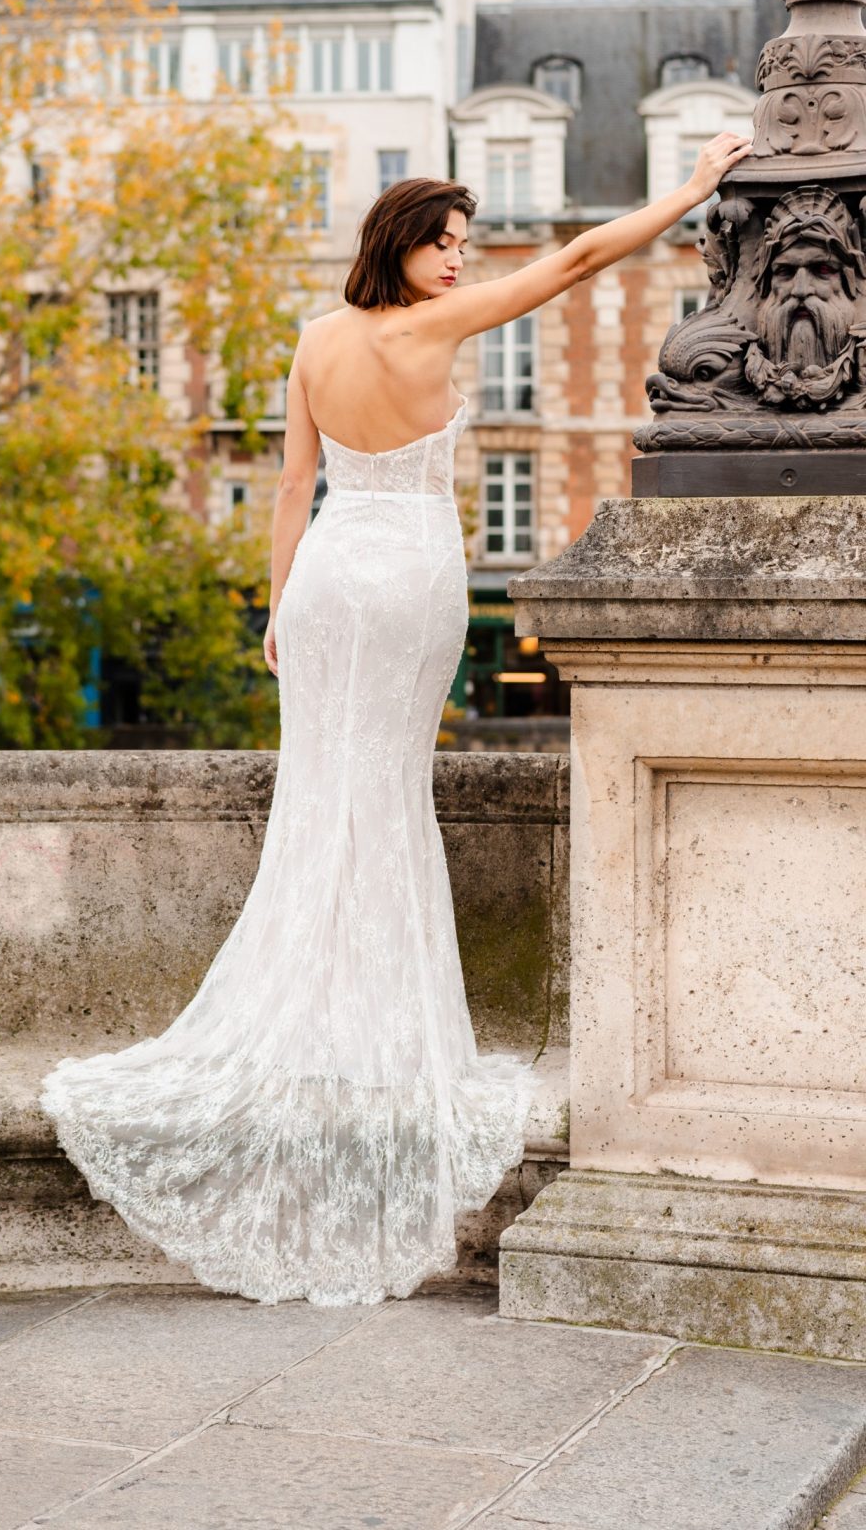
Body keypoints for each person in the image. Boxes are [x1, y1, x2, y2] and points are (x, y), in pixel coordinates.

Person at [41, 130, 752, 1307]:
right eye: (447, 244)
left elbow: (289, 488)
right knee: (387, 793)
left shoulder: (316, 342)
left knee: (327, 791)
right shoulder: (430, 332)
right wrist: (689, 188)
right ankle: (374, 1023)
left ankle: (311, 1016)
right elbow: (578, 262)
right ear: (403, 247)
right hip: (412, 574)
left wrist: (275, 606)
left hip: (325, 578)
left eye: (467, 247)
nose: (462, 263)